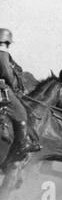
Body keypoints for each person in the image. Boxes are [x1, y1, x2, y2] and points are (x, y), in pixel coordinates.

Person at [0, 27, 37, 156]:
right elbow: (6, 72)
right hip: (2, 89)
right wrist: (14, 87)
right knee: (21, 113)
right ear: (7, 41)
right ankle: (22, 145)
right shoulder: (2, 52)